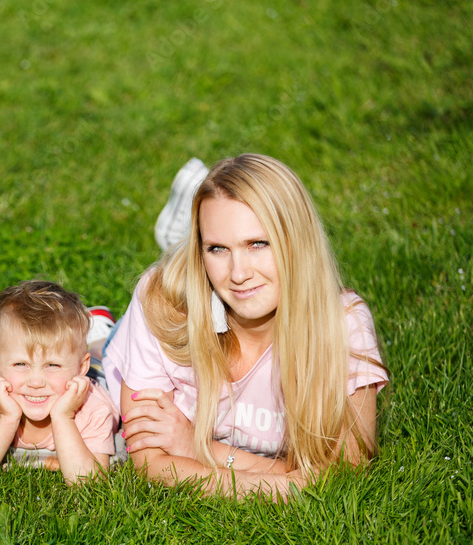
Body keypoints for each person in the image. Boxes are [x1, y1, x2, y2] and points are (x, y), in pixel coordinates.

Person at [103, 153, 388, 499]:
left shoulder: (342, 325)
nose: (239, 273)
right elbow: (149, 460)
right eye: (217, 249)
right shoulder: (163, 301)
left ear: (296, 242)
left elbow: (344, 472)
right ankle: (106, 322)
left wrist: (198, 448)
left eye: (257, 244)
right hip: (122, 357)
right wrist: (287, 480)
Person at [0, 281, 117, 485]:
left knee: (103, 357)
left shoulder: (92, 406)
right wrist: (6, 417)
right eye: (21, 363)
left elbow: (89, 483)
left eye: (52, 365)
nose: (36, 382)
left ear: (80, 367)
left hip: (98, 376)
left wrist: (64, 417)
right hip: (68, 373)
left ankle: (101, 333)